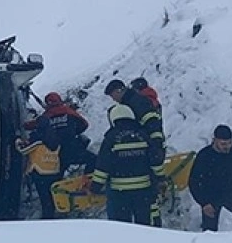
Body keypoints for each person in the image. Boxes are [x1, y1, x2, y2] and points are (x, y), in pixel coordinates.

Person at [105, 79, 166, 225]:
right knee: (146, 193)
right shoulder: (132, 101)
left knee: (150, 192)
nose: (113, 99)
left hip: (147, 150)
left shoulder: (137, 102)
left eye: (113, 95)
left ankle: (154, 225)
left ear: (119, 90)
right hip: (145, 149)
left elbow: (152, 124)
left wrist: (154, 146)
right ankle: (150, 223)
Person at [89, 104, 158, 226]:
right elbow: (155, 160)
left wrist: (95, 186)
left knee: (121, 228)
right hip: (143, 191)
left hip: (119, 193)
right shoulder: (143, 135)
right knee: (144, 227)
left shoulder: (111, 137)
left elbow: (103, 165)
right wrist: (160, 178)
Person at [189, 125, 232, 231]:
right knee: (209, 230)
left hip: (229, 191)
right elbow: (193, 182)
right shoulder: (204, 155)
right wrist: (204, 203)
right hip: (209, 195)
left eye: (229, 143)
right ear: (215, 141)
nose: (227, 146)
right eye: (223, 144)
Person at [26, 92, 95, 176]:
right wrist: (74, 131)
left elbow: (33, 126)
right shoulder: (68, 111)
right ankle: (87, 179)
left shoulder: (46, 116)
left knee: (57, 171)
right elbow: (84, 124)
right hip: (72, 147)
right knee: (93, 159)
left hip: (54, 153)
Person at [15, 125, 62, 219]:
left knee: (44, 199)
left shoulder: (38, 142)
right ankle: (50, 216)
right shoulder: (57, 142)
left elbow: (23, 150)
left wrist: (17, 140)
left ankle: (46, 219)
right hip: (53, 172)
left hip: (40, 172)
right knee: (50, 199)